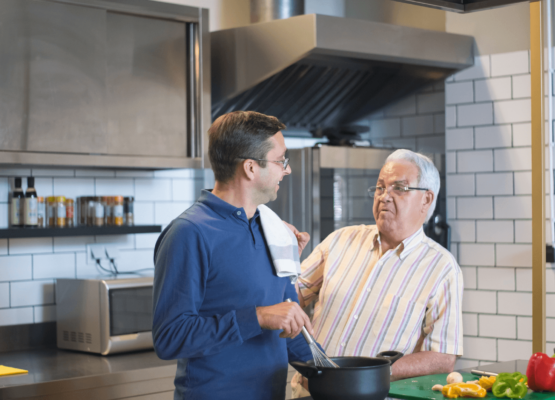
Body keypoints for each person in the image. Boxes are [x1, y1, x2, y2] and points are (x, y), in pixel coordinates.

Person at [152, 111, 314, 400]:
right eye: (280, 161)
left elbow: (287, 325)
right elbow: (170, 337)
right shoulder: (189, 233)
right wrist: (259, 317)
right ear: (251, 168)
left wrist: (331, 372)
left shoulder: (274, 229)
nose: (286, 170)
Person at [292, 149, 463, 397]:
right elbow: (290, 299)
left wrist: (369, 372)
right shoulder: (340, 240)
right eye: (381, 187)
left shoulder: (442, 268)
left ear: (426, 200)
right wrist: (282, 263)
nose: (385, 197)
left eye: (399, 188)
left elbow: (442, 357)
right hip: (309, 394)